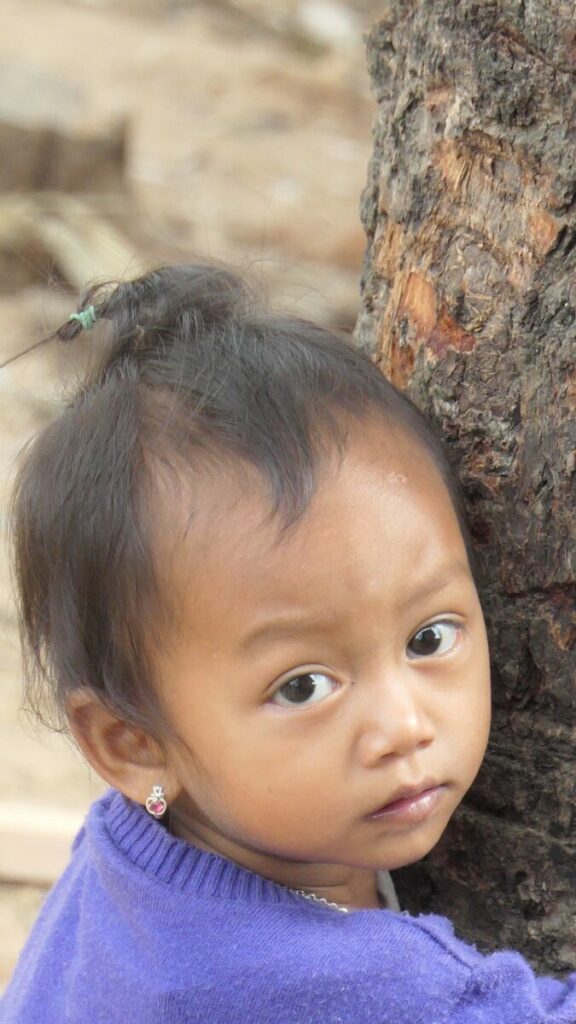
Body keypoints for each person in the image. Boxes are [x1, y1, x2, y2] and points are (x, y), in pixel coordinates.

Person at [0, 263, 574, 1024]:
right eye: (302, 686)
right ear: (131, 743)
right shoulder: (373, 992)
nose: (405, 725)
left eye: (429, 638)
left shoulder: (125, 863)